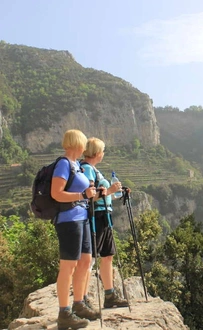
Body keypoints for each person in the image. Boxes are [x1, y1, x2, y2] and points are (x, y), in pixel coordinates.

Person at [51, 129, 100, 330]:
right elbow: (57, 193)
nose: (84, 148)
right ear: (78, 144)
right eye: (83, 144)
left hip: (82, 218)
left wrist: (89, 193)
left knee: (86, 261)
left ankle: (79, 304)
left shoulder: (76, 166)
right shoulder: (63, 164)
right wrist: (82, 195)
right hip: (69, 220)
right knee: (68, 266)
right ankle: (64, 313)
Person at [80, 137, 129, 309]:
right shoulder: (86, 169)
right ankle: (82, 299)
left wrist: (117, 192)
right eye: (102, 150)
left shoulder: (94, 170)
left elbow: (103, 194)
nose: (103, 153)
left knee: (108, 256)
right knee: (90, 259)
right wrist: (110, 190)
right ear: (96, 152)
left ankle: (110, 296)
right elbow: (89, 195)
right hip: (95, 217)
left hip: (104, 216)